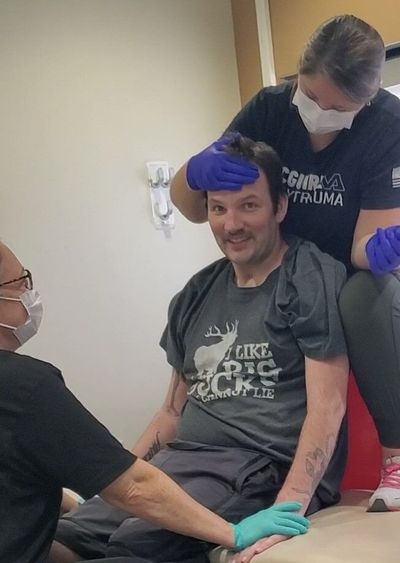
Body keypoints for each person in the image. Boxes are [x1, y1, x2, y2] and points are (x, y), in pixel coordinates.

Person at [51, 135, 348, 562]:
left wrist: (293, 503)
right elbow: (172, 411)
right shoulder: (196, 293)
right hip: (180, 462)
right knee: (56, 538)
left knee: (134, 546)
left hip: (255, 466)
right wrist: (115, 479)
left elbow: (328, 405)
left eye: (249, 205)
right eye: (218, 208)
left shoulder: (308, 276)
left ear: (279, 206)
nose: (232, 224)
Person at [170, 14, 400, 512]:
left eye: (336, 107)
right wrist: (192, 174)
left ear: (368, 97)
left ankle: (396, 454)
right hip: (277, 263)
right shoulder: (270, 109)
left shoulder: (387, 126)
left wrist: (384, 250)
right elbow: (194, 206)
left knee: (364, 296)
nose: (318, 112)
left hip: (342, 272)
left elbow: (365, 246)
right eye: (310, 96)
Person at [0, 241, 310, 563]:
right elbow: (133, 484)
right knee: (115, 546)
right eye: (21, 283)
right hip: (178, 462)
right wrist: (234, 534)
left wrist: (88, 498)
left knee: (96, 539)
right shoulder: (24, 386)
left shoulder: (305, 283)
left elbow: (113, 474)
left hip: (242, 465)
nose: (28, 294)